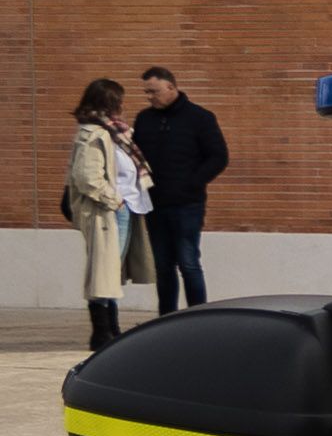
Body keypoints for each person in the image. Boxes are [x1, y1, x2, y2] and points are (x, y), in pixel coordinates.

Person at [131, 67, 227, 314]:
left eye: (154, 91)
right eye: (147, 92)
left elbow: (218, 157)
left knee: (189, 263)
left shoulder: (200, 118)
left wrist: (193, 182)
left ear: (171, 87)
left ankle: (197, 316)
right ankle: (167, 317)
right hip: (155, 204)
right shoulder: (144, 119)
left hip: (187, 204)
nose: (150, 96)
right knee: (163, 266)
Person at [64, 80, 135, 355]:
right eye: (119, 101)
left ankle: (111, 331)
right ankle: (102, 333)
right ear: (108, 103)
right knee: (103, 272)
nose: (122, 106)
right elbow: (86, 178)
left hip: (119, 209)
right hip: (106, 211)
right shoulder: (93, 133)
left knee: (110, 272)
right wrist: (114, 200)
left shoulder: (112, 131)